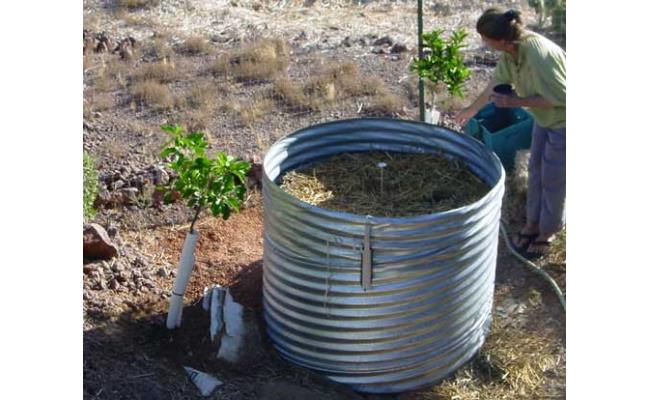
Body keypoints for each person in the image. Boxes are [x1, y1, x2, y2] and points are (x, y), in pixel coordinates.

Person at [455, 7, 566, 259]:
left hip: (564, 122)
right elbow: (494, 84)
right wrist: (471, 110)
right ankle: (532, 224)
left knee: (553, 178)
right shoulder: (511, 52)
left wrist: (515, 102)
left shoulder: (538, 55)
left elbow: (564, 97)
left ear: (501, 40)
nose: (483, 43)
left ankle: (548, 232)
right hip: (543, 119)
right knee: (536, 172)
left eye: (485, 38)